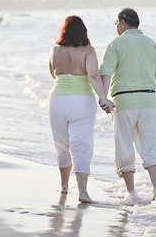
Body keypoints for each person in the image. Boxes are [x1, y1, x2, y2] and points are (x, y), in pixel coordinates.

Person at [99, 8, 156, 203]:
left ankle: (131, 193)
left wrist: (104, 98)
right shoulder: (152, 44)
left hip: (124, 102)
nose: (116, 26)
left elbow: (105, 74)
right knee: (151, 147)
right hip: (149, 102)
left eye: (116, 23)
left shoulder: (115, 44)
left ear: (123, 23)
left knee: (124, 147)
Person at [48, 15, 114, 203]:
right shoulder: (88, 50)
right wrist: (104, 99)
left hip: (57, 100)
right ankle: (83, 193)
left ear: (64, 31)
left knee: (61, 146)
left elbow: (53, 74)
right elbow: (93, 75)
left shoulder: (55, 50)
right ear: (84, 31)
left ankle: (64, 186)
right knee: (80, 147)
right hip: (81, 101)